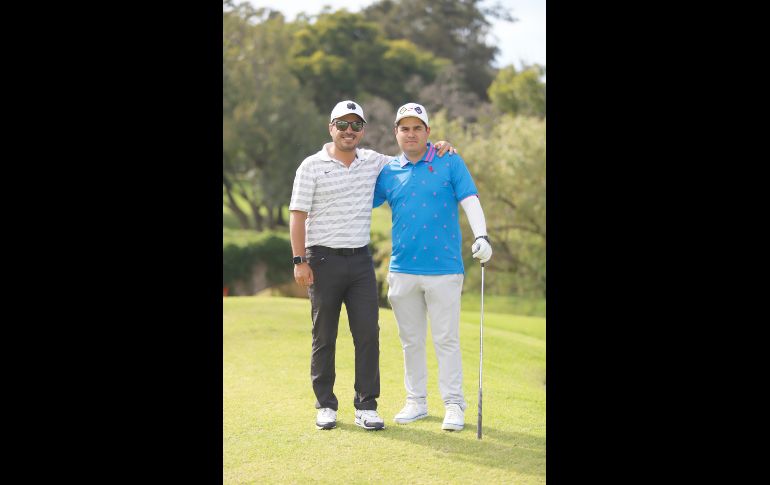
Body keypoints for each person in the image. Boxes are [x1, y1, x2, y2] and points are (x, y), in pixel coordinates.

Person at [289, 100, 455, 431]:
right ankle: (325, 405)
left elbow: (410, 157)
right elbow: (297, 215)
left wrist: (439, 147)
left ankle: (366, 405)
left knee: (367, 333)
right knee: (324, 335)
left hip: (360, 261)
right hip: (322, 259)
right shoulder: (311, 166)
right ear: (331, 127)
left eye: (356, 125)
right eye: (342, 124)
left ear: (362, 130)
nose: (348, 131)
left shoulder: (375, 163)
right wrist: (299, 261)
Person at [373, 102, 493, 431]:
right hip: (402, 269)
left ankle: (453, 404)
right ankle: (416, 402)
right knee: (410, 340)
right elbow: (359, 198)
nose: (411, 134)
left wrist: (482, 235)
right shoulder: (388, 171)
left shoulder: (448, 160)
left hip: (445, 269)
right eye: (404, 128)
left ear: (428, 132)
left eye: (417, 128)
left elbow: (469, 199)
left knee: (446, 339)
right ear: (396, 133)